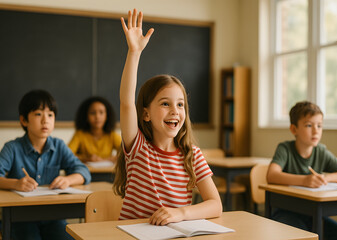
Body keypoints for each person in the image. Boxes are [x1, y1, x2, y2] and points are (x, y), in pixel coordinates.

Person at [113, 9, 222, 226]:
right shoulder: (138, 148)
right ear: (145, 114)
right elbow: (126, 103)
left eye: (180, 104)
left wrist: (181, 213)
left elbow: (215, 205)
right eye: (165, 104)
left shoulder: (192, 155)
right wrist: (134, 52)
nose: (175, 111)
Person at [0, 89, 91, 240]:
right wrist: (15, 184)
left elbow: (83, 171)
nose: (45, 120)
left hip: (53, 217)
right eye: (38, 114)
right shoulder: (12, 148)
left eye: (50, 115)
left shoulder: (59, 145)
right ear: (24, 120)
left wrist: (68, 180)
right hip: (20, 218)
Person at [267, 101, 337, 240]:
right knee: (306, 237)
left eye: (319, 126)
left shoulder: (321, 151)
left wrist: (325, 178)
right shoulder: (285, 149)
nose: (316, 131)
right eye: (309, 125)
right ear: (294, 129)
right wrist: (304, 180)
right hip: (286, 212)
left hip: (313, 212)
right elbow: (272, 175)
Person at [68, 96, 121, 163]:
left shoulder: (112, 135)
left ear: (107, 116)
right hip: (86, 171)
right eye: (93, 113)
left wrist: (105, 160)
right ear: (86, 116)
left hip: (107, 171)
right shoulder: (80, 134)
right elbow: (67, 154)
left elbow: (126, 153)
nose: (97, 117)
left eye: (101, 112)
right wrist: (86, 159)